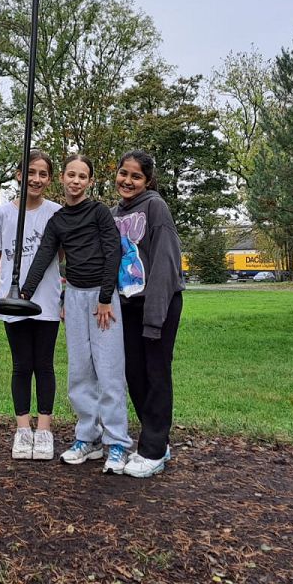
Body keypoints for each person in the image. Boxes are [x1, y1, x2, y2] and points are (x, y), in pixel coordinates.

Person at [21, 153, 131, 473]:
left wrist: (106, 297)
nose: (76, 181)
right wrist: (24, 292)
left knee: (109, 372)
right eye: (71, 175)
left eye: (82, 176)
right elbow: (44, 256)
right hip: (74, 298)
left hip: (103, 299)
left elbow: (113, 252)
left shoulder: (98, 212)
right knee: (80, 372)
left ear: (90, 181)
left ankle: (117, 443)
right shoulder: (58, 221)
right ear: (62, 178)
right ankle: (88, 438)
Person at [111, 150, 185, 478]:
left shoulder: (156, 207)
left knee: (156, 374)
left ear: (148, 180)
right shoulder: (113, 213)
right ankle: (157, 441)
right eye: (123, 173)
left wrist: (154, 318)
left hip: (158, 302)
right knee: (135, 375)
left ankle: (153, 451)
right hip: (126, 306)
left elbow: (166, 262)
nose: (128, 181)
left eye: (136, 176)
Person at [0, 150, 62, 461]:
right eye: (31, 172)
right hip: (13, 302)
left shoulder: (56, 213)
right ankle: (22, 430)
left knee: (44, 365)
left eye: (43, 174)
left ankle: (44, 430)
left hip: (46, 300)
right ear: (19, 175)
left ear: (49, 179)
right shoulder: (2, 214)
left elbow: (60, 255)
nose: (36, 179)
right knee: (21, 365)